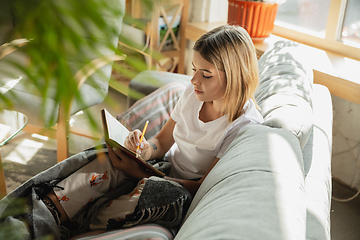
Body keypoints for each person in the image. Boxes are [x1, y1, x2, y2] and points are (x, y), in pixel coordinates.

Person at [42, 24, 264, 231]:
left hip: (181, 191)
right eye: (194, 69)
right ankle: (46, 212)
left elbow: (202, 188)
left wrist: (140, 174)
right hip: (161, 168)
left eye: (206, 74)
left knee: (156, 194)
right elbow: (162, 142)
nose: (194, 80)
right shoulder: (192, 94)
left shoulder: (243, 126)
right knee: (107, 160)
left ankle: (77, 226)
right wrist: (143, 149)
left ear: (236, 77)